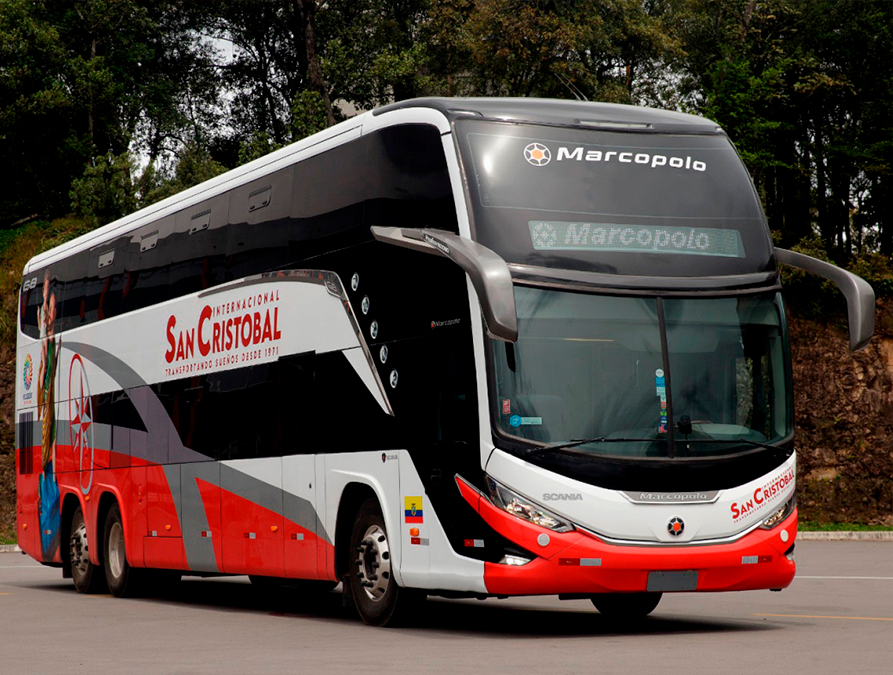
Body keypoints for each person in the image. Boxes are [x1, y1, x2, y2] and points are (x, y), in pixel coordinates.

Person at [37, 270, 61, 561]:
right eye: (43, 300)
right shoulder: (46, 348)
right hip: (48, 449)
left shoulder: (55, 346)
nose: (46, 308)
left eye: (49, 300)